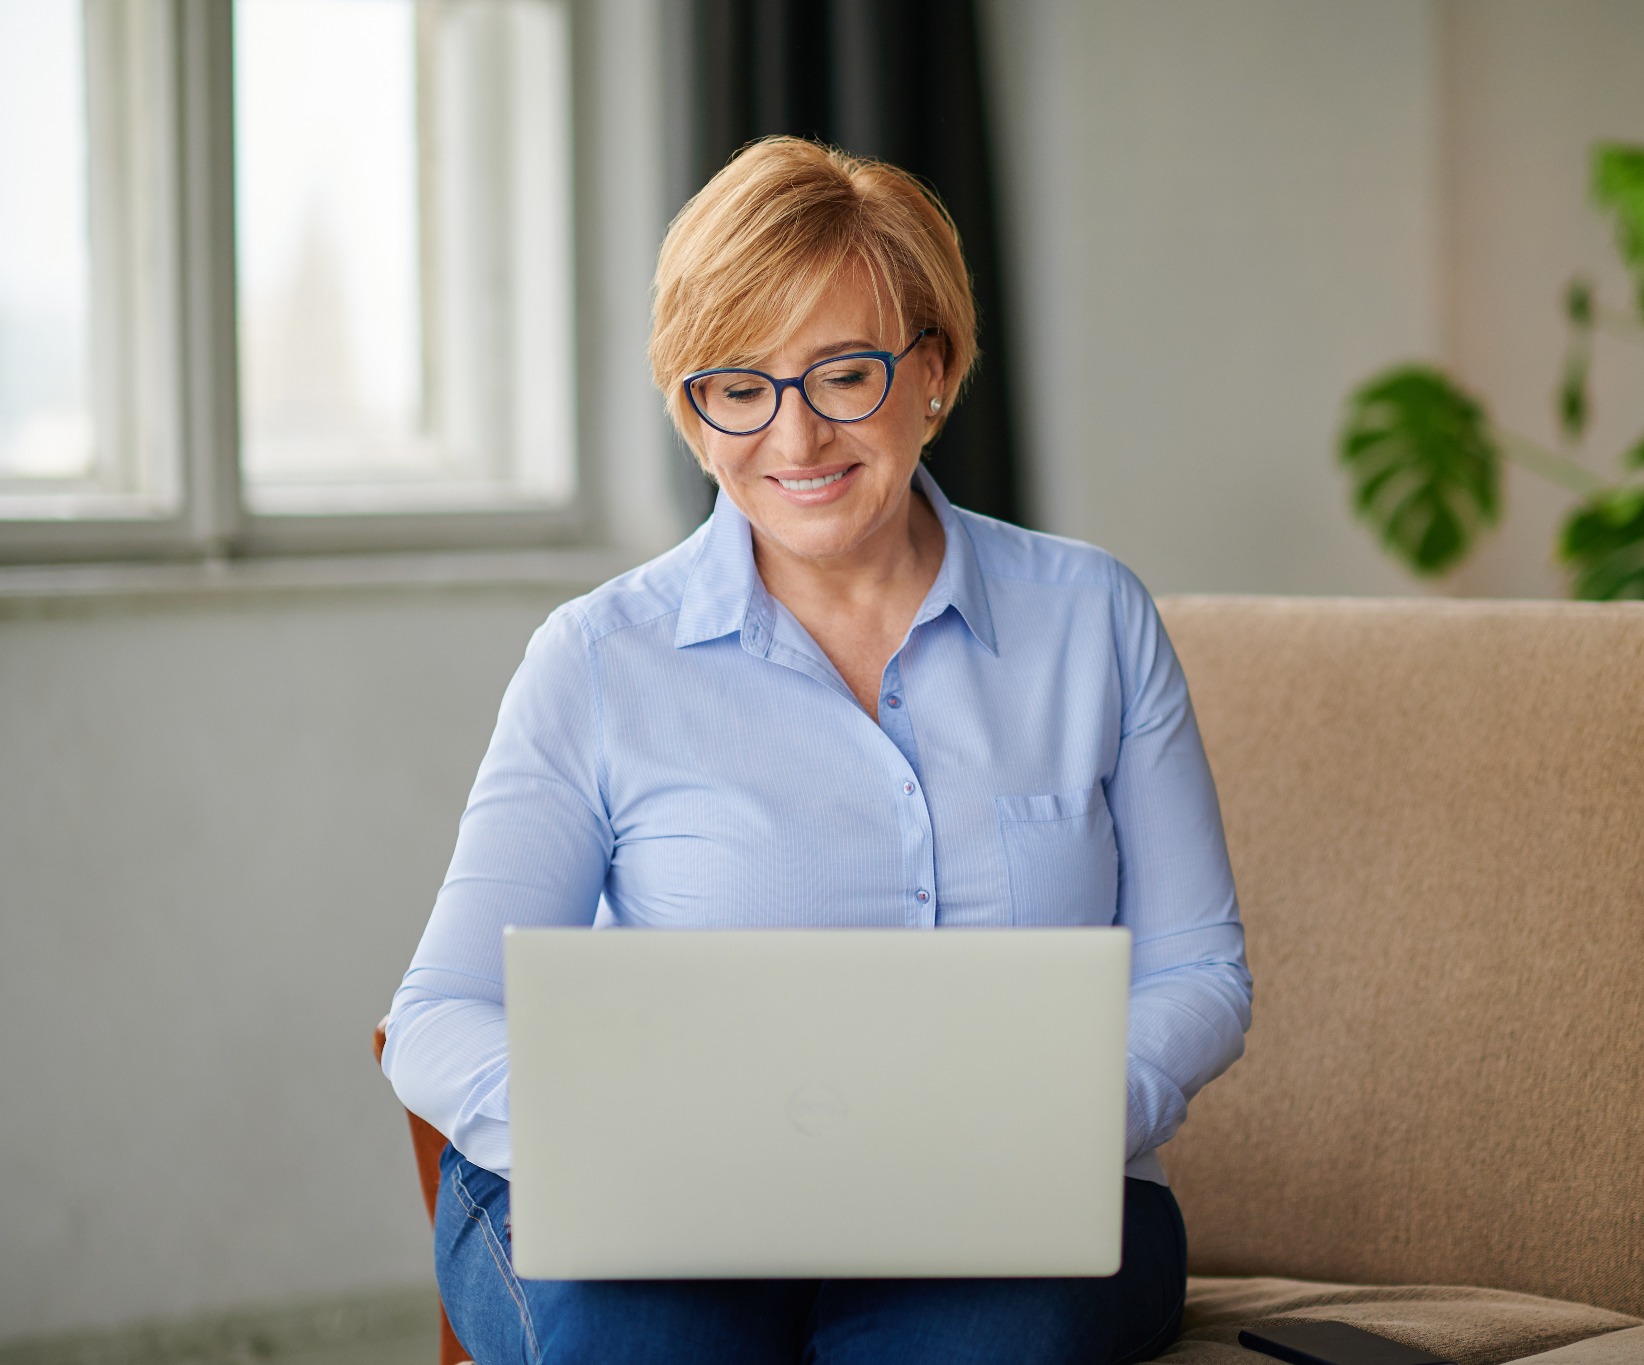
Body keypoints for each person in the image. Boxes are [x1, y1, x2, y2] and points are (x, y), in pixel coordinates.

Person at [381, 136, 1251, 1365]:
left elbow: (1197, 970)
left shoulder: (1092, 620)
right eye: (737, 386)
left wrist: (1052, 1130)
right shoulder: (597, 660)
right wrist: (616, 1142)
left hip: (1010, 1217)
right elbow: (438, 1013)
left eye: (844, 373)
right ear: (693, 414)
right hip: (660, 1215)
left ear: (933, 369)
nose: (793, 438)